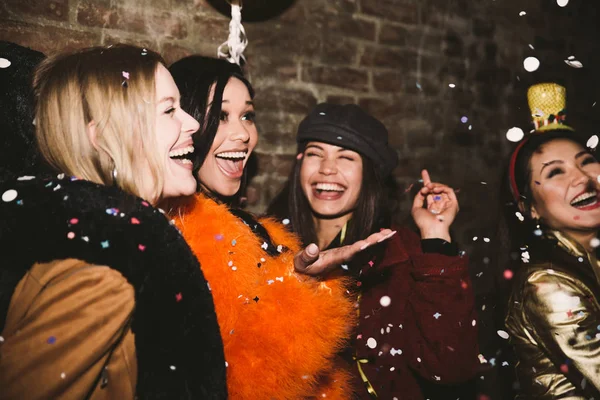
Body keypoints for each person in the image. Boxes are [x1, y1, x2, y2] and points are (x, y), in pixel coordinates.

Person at [0, 43, 227, 399]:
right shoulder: (102, 265)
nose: (194, 123)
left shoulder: (95, 238)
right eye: (169, 110)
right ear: (102, 138)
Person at [169, 55, 394, 399]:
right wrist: (304, 285)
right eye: (222, 116)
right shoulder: (185, 230)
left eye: (247, 116)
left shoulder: (253, 229)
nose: (243, 133)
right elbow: (249, 374)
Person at [267, 103, 480, 399]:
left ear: (369, 174)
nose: (327, 168)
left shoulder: (400, 254)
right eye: (315, 153)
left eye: (346, 157)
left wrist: (435, 237)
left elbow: (450, 366)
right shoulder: (269, 242)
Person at [502, 83, 600, 399]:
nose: (582, 177)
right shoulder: (547, 285)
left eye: (586, 161)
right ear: (530, 208)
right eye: (556, 172)